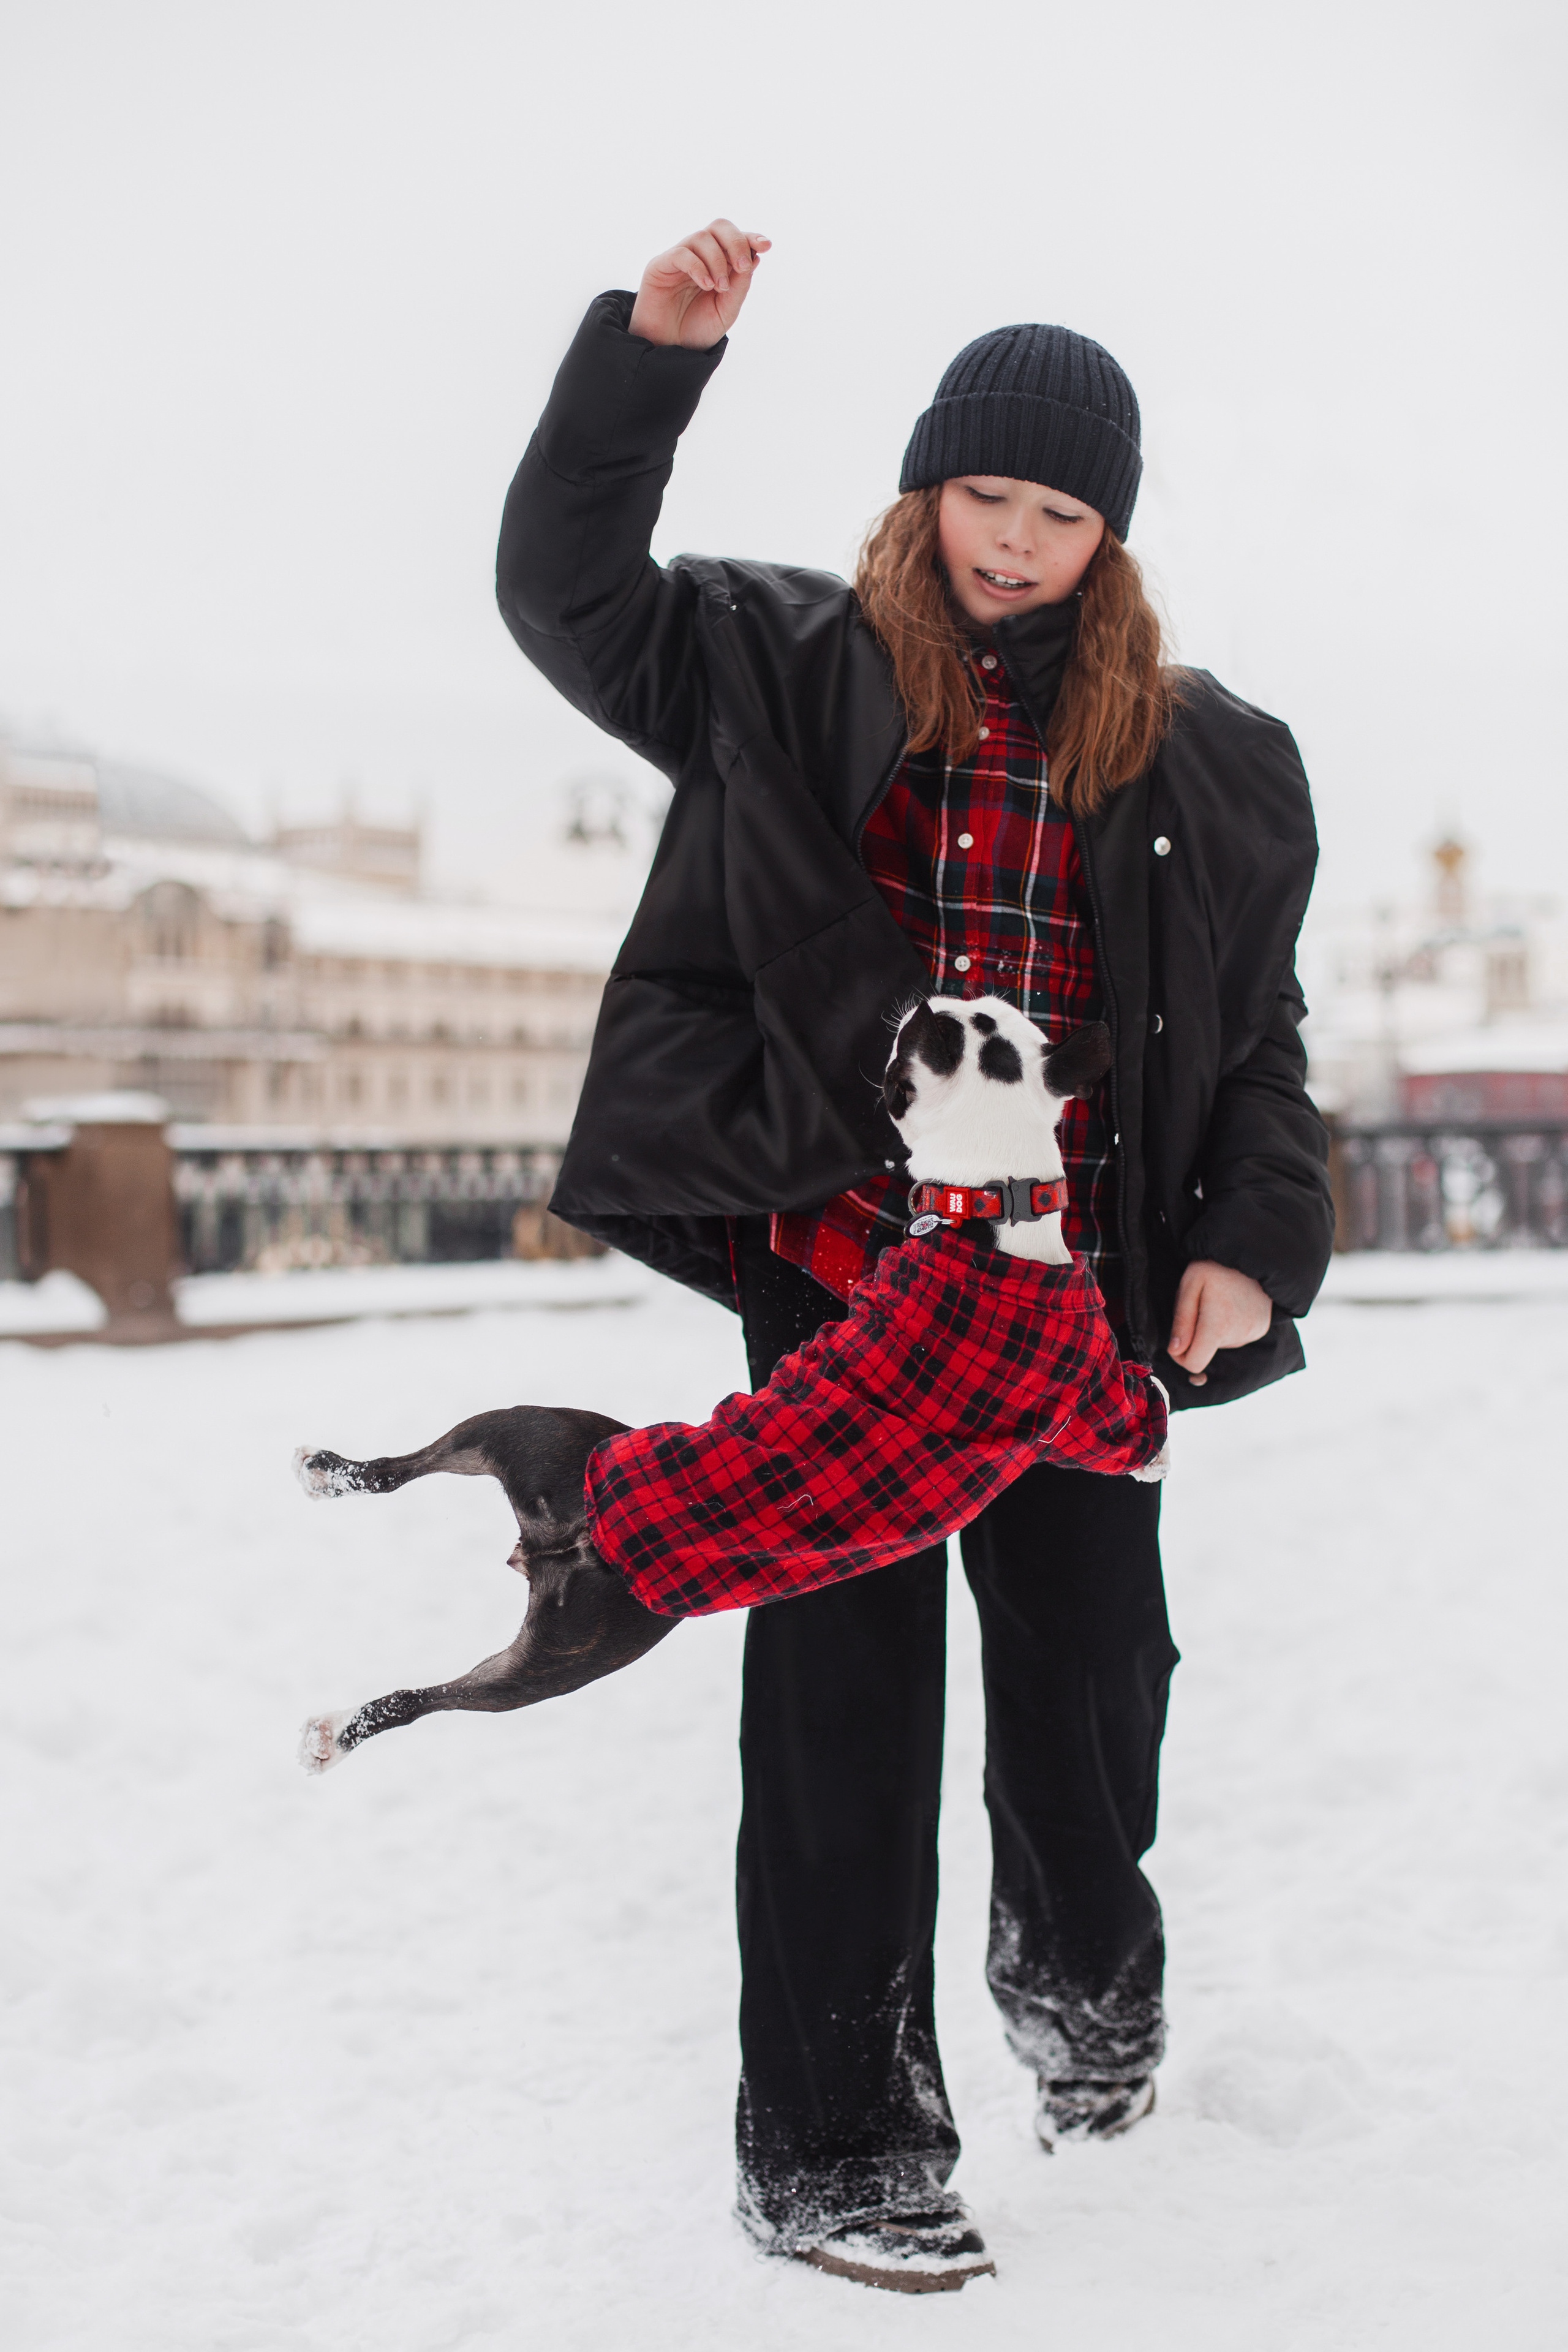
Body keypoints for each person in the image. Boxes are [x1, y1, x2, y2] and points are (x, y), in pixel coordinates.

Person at [496, 218, 1333, 2294]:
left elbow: (1265, 1044)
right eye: (986, 497)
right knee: (843, 1708)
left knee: (1086, 1696)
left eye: (1061, 511)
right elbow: (562, 588)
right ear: (925, 489)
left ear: (1108, 532)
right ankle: (838, 2148)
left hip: (1077, 1298)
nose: (1018, 541)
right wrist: (646, 369)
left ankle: (1084, 1988)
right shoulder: (780, 661)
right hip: (851, 1270)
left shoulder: (1216, 756)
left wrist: (1255, 1244)